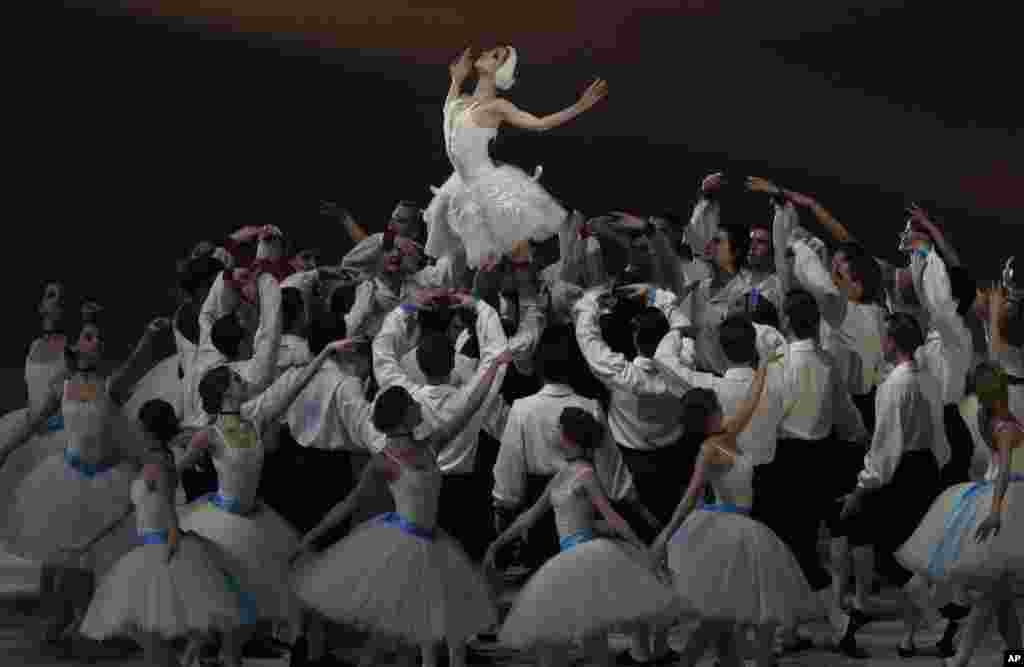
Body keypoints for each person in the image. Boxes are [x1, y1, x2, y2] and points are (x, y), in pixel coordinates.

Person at [289, 351, 511, 667]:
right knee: (422, 633)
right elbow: (349, 503)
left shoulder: (430, 444)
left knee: (447, 630)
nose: (420, 406)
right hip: (403, 547)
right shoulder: (385, 461)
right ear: (403, 416)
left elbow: (468, 407)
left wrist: (492, 369)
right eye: (413, 404)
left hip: (434, 543)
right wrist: (310, 537)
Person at [174, 338, 355, 667]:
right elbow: (175, 470)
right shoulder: (211, 434)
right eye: (238, 381)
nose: (245, 383)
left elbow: (295, 386)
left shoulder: (255, 421)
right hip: (221, 530)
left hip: (255, 527)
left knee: (241, 622)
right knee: (221, 622)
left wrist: (326, 352)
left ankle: (226, 657)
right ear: (227, 393)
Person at [650, 352, 819, 667]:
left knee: (730, 618)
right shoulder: (709, 449)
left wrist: (764, 365)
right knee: (721, 618)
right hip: (725, 533)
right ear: (710, 414)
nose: (723, 409)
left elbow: (751, 403)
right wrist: (664, 536)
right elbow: (690, 496)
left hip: (742, 529)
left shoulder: (728, 434)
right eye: (717, 406)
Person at [486, 407, 675, 667]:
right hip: (568, 559)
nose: (555, 433)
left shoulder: (586, 474)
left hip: (587, 558)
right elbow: (529, 516)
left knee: (593, 631)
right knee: (584, 633)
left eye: (559, 429)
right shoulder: (561, 476)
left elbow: (611, 517)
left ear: (569, 437)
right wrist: (498, 543)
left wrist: (641, 547)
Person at [424, 46, 608, 269]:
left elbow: (540, 124)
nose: (485, 53)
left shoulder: (498, 106)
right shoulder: (462, 99)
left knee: (517, 255)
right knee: (474, 261)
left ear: (500, 70)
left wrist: (580, 106)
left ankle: (541, 289)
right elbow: (447, 113)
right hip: (460, 185)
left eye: (495, 56)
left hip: (489, 185)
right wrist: (456, 78)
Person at [897, 360, 1023, 666]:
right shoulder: (1004, 425)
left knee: (1000, 596)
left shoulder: (987, 417)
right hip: (1004, 499)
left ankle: (1012, 657)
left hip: (992, 494)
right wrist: (995, 512)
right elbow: (1005, 471)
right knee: (993, 593)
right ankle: (965, 657)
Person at [72, 445, 240, 667]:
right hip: (149, 547)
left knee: (159, 615)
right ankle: (185, 654)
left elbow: (170, 514)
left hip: (161, 546)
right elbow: (124, 513)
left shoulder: (159, 474)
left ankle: (187, 653)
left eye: (165, 460)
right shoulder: (144, 474)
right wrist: (92, 539)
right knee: (142, 618)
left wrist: (171, 545)